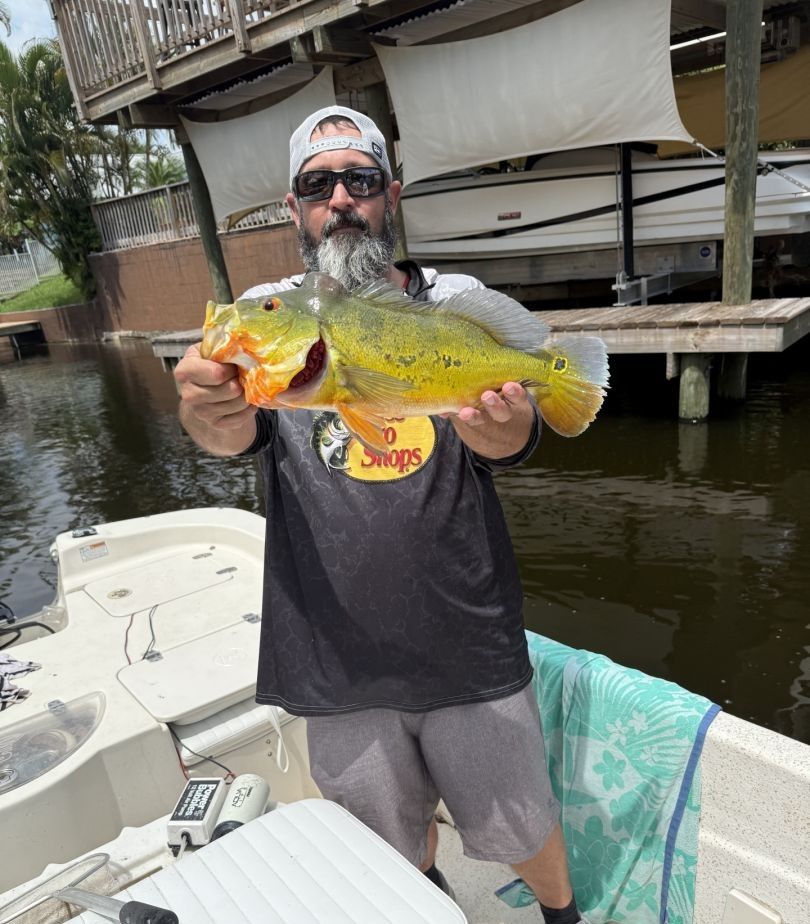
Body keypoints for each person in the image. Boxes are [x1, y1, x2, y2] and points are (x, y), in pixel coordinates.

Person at [174, 106, 583, 924]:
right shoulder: (269, 312)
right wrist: (204, 414)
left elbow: (511, 441)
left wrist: (507, 429)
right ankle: (427, 904)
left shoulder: (455, 301)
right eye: (317, 185)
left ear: (390, 195)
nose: (340, 201)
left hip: (467, 637)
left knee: (521, 818)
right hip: (335, 658)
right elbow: (231, 433)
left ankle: (563, 915)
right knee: (386, 839)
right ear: (293, 207)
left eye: (360, 180)